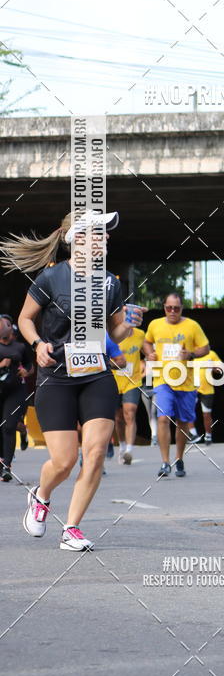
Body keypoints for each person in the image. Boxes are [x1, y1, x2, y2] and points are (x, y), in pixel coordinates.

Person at [0, 210, 143, 551]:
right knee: (64, 461)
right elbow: (25, 319)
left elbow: (113, 333)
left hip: (96, 376)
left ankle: (73, 527)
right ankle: (42, 494)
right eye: (100, 232)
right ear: (78, 238)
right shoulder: (51, 278)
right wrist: (37, 344)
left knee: (94, 453)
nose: (106, 238)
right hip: (57, 377)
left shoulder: (110, 282)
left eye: (107, 233)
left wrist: (129, 324)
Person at [143, 292, 210, 478]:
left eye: (177, 308)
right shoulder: (155, 324)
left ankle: (179, 458)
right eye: (169, 308)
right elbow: (146, 342)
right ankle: (165, 462)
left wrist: (191, 354)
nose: (172, 311)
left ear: (182, 308)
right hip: (163, 380)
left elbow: (206, 348)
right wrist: (149, 353)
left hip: (185, 382)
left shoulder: (192, 326)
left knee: (182, 422)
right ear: (164, 307)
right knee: (163, 418)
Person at [0, 318, 34, 480]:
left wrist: (27, 371)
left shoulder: (19, 347)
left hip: (16, 391)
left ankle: (7, 466)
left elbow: (30, 365)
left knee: (9, 426)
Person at [112, 327, 145, 464]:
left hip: (133, 381)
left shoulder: (140, 334)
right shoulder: (112, 333)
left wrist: (151, 356)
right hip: (114, 380)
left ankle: (129, 451)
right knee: (118, 418)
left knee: (130, 413)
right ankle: (122, 446)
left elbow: (148, 350)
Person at [188, 348, 223, 446]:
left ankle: (208, 436)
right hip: (192, 388)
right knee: (188, 411)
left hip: (207, 389)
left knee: (206, 414)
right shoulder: (191, 353)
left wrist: (214, 368)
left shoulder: (211, 354)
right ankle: (193, 434)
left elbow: (220, 370)